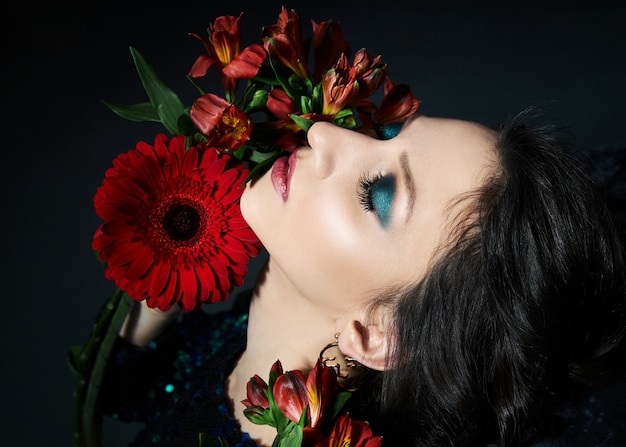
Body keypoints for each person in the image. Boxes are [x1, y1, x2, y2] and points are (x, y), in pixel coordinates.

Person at [99, 108, 626, 447]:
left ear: (376, 333)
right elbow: (133, 393)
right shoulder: (256, 323)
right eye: (386, 131)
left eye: (376, 193)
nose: (324, 133)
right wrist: (170, 266)